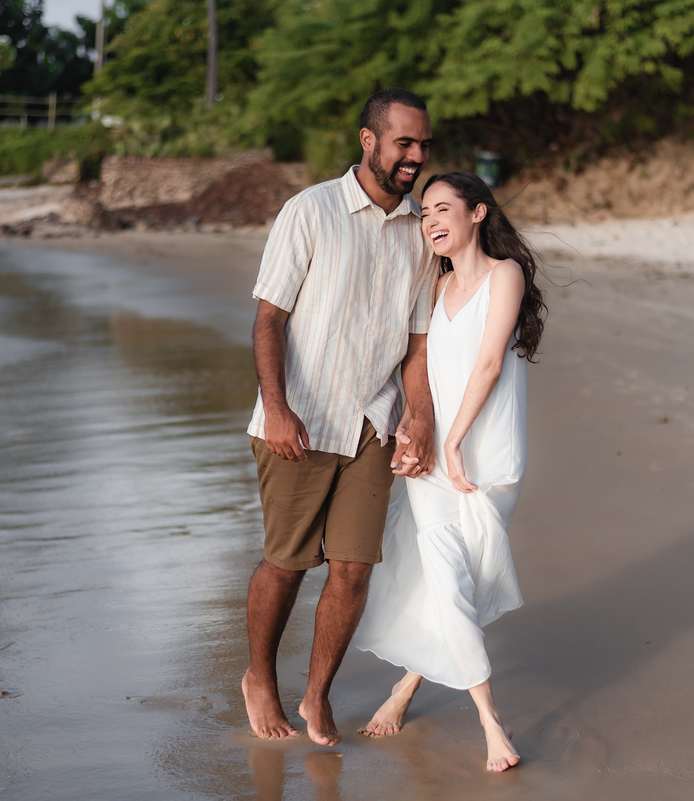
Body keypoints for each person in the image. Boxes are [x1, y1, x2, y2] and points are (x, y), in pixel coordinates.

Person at [242, 88, 439, 746]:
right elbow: (269, 315)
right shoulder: (312, 210)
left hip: (373, 425)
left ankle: (317, 693)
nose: (414, 155)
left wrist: (418, 417)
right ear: (368, 140)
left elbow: (417, 345)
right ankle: (259, 678)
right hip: (300, 418)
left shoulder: (421, 232)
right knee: (288, 562)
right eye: (403, 142)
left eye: (422, 144)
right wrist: (276, 407)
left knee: (353, 568)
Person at [351, 171, 547, 772]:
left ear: (478, 213)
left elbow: (488, 364)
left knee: (463, 583)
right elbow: (422, 374)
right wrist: (417, 431)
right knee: (447, 583)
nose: (432, 220)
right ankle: (491, 723)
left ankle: (407, 688)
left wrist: (457, 439)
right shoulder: (434, 288)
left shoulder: (503, 276)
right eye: (425, 212)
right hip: (435, 463)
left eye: (443, 208)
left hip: (488, 463)